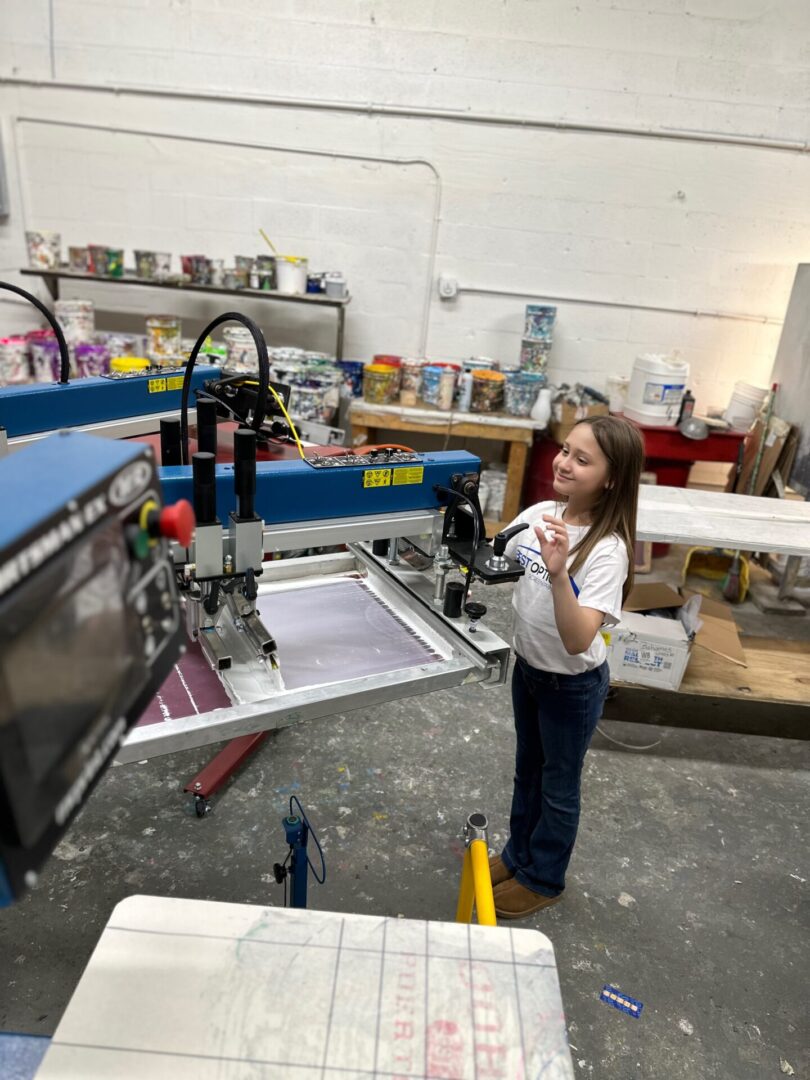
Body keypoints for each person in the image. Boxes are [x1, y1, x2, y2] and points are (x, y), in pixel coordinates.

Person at [491, 415, 644, 919]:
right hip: (530, 669)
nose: (564, 463)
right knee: (526, 771)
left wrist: (559, 574)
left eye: (583, 459)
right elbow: (494, 552)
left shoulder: (607, 550)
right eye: (565, 450)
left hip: (571, 685)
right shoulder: (541, 512)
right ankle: (518, 857)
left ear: (612, 478)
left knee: (558, 785)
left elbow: (580, 640)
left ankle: (544, 878)